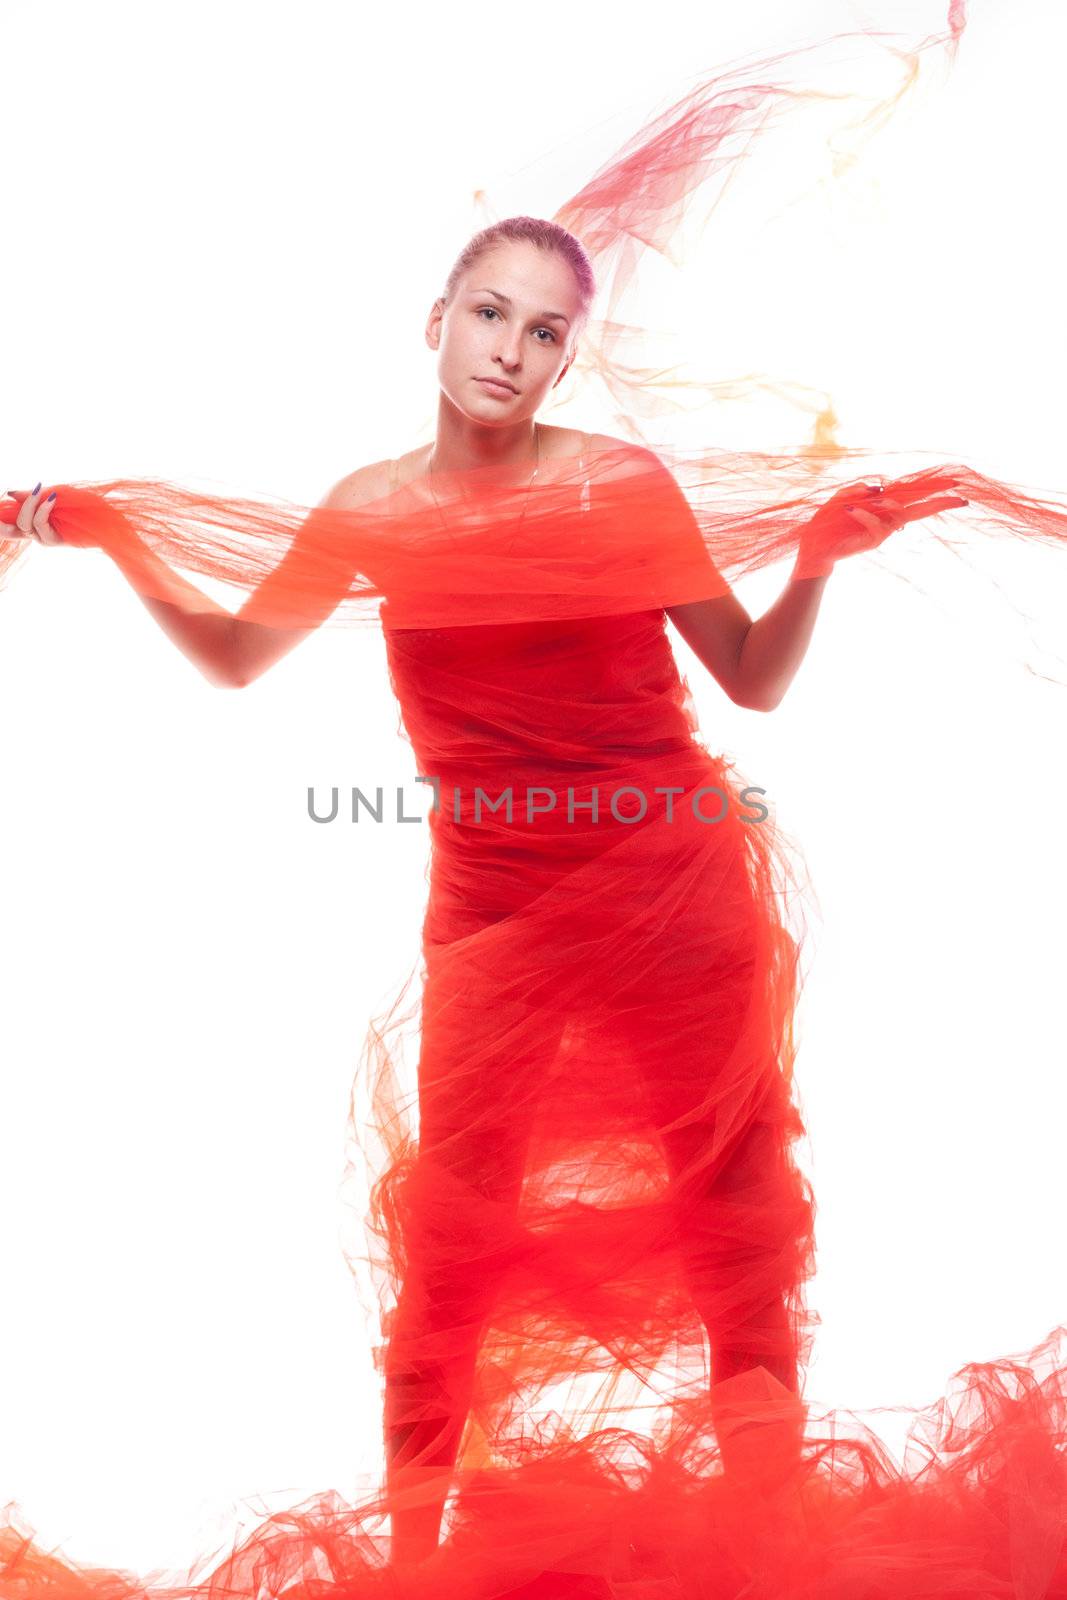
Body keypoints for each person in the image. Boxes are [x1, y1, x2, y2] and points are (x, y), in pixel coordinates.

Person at [4, 218, 975, 1593]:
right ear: (436, 321)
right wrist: (106, 536)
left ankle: (778, 1565)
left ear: (564, 360)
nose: (508, 353)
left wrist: (815, 557)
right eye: (488, 315)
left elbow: (750, 678)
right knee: (451, 1253)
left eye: (542, 334)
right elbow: (232, 659)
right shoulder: (372, 510)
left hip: (669, 888)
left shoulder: (619, 490)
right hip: (490, 918)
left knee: (730, 1222)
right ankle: (413, 1577)